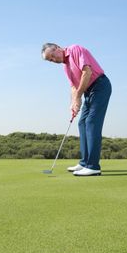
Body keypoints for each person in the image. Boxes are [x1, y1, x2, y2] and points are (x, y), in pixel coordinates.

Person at [42, 43, 112, 176]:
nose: (53, 60)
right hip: (88, 91)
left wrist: (79, 97)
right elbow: (74, 87)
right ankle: (84, 162)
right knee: (82, 123)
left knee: (91, 122)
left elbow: (87, 72)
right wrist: (73, 103)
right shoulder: (65, 67)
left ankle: (93, 166)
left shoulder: (75, 49)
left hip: (100, 86)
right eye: (50, 60)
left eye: (52, 56)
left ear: (57, 48)